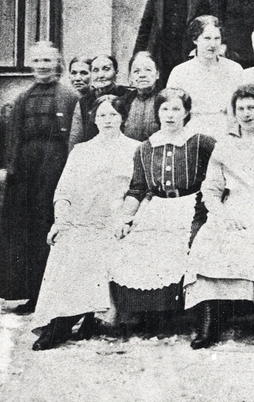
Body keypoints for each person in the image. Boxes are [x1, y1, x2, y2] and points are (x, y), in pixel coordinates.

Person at [30, 95, 141, 350]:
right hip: (82, 217)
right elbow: (64, 191)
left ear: (123, 118)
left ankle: (63, 324)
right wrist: (60, 220)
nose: (107, 120)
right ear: (93, 119)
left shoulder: (136, 149)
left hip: (116, 218)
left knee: (93, 249)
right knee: (66, 244)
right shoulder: (81, 151)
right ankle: (62, 317)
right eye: (102, 115)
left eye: (113, 114)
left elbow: (139, 189)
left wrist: (125, 217)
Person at [184, 84, 254, 349]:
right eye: (240, 108)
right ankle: (210, 320)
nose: (246, 114)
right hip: (232, 207)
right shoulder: (225, 144)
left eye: (251, 107)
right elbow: (211, 190)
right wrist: (221, 214)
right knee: (208, 240)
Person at [109, 88, 217, 332]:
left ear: (186, 112)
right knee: (137, 242)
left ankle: (183, 313)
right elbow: (137, 188)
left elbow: (221, 173)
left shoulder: (200, 142)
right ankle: (149, 315)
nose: (170, 115)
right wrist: (125, 217)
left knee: (189, 243)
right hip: (157, 206)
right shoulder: (146, 147)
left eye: (176, 109)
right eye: (164, 109)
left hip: (193, 205)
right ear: (157, 113)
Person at [0, 42, 78, 316]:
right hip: (27, 172)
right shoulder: (23, 97)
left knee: (52, 228)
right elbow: (14, 137)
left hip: (56, 167)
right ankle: (33, 294)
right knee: (29, 232)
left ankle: (57, 295)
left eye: (47, 60)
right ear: (30, 64)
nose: (42, 66)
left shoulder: (69, 95)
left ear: (58, 63)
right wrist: (13, 170)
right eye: (37, 60)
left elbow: (74, 138)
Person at [166, 15, 244, 139]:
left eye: (217, 38)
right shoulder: (180, 72)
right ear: (195, 40)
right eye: (207, 38)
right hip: (192, 134)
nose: (212, 44)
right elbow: (170, 109)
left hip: (227, 133)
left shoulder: (234, 69)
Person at [68, 53, 132, 147]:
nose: (101, 75)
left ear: (116, 72)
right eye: (95, 70)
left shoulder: (128, 97)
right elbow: (75, 140)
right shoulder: (84, 102)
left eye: (106, 69)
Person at [120, 52, 161, 142]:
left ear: (157, 74)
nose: (142, 75)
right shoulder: (123, 102)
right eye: (136, 71)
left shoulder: (165, 101)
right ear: (130, 77)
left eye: (148, 70)